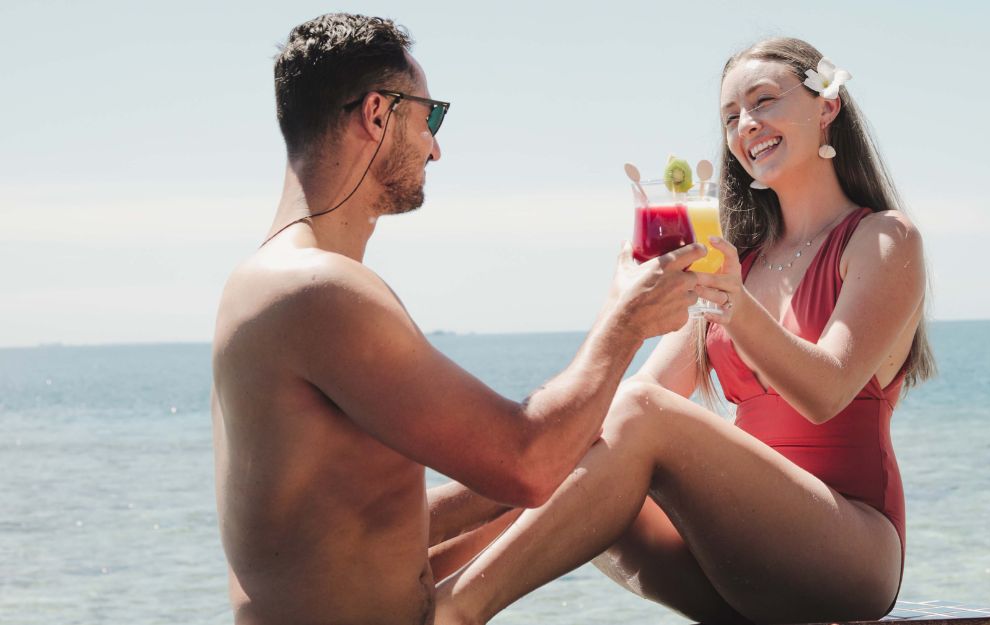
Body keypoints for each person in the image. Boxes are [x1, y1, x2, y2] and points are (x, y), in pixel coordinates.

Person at [210, 13, 706, 625]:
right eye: (431, 117)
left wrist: (583, 436)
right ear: (376, 114)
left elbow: (364, 528)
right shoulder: (320, 289)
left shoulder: (267, 281)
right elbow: (529, 464)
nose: (436, 147)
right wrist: (625, 326)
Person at [434, 37, 936, 625]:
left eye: (764, 101)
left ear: (827, 108)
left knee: (634, 412)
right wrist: (622, 307)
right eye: (730, 117)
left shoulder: (884, 239)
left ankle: (454, 610)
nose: (746, 125)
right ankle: (423, 577)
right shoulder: (738, 262)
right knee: (593, 442)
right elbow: (617, 417)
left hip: (849, 557)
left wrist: (733, 302)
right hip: (741, 561)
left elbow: (827, 393)